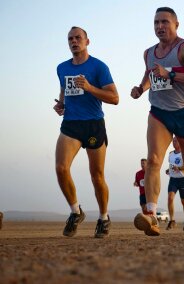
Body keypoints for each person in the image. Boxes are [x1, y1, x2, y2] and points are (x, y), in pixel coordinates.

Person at [130, 7, 184, 236]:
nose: (160, 26)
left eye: (165, 22)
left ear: (176, 25)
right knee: (154, 160)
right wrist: (140, 88)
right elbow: (150, 75)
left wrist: (172, 74)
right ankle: (152, 215)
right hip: (160, 113)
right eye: (156, 22)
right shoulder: (149, 53)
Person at [54, 26, 119, 238]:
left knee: (97, 176)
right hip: (71, 123)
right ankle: (75, 212)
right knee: (61, 168)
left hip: (93, 124)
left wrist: (90, 88)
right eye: (70, 39)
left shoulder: (99, 67)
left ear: (87, 41)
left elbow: (115, 98)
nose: (74, 41)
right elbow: (65, 88)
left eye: (78, 38)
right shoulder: (61, 67)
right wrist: (61, 104)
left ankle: (103, 217)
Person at [165, 137, 184, 231]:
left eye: (176, 141)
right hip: (173, 180)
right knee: (170, 198)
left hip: (182, 179)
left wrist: (179, 169)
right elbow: (171, 165)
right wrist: (169, 170)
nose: (174, 143)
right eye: (173, 141)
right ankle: (172, 220)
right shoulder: (170, 154)